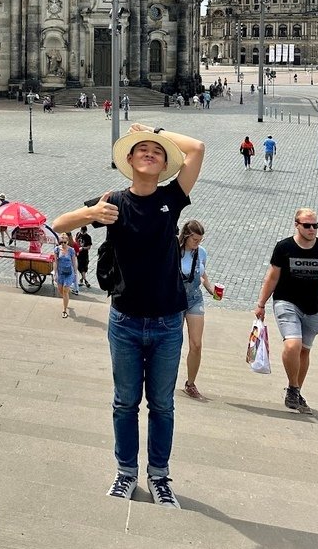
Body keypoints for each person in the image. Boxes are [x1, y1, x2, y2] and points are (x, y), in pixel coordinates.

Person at [52, 122, 204, 508]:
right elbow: (58, 225)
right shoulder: (113, 202)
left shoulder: (173, 198)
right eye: (142, 150)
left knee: (163, 405)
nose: (149, 154)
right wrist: (92, 212)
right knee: (124, 402)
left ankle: (159, 476)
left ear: (164, 161)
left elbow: (198, 148)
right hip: (125, 321)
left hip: (169, 320)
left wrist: (152, 131)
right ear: (130, 161)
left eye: (157, 151)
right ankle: (125, 473)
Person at [254, 208, 318, 414]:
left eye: (315, 225)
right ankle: (293, 388)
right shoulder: (284, 247)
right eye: (307, 225)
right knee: (292, 345)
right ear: (297, 225)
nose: (312, 229)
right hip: (285, 302)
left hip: (312, 308)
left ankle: (295, 390)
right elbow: (272, 277)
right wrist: (261, 304)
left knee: (304, 351)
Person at [178, 220, 219, 400]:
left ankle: (191, 383)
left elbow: (202, 274)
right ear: (186, 236)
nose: (197, 243)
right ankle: (164, 379)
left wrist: (211, 290)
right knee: (172, 343)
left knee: (196, 344)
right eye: (195, 239)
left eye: (200, 240)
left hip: (195, 298)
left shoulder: (201, 252)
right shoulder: (174, 251)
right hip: (174, 300)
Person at [53, 232, 78, 319]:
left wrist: (75, 273)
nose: (63, 244)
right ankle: (66, 299)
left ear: (67, 241)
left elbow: (74, 262)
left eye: (64, 242)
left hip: (69, 273)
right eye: (61, 242)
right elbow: (56, 262)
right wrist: (55, 273)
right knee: (60, 291)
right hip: (61, 273)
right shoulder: (56, 249)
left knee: (65, 290)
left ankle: (64, 310)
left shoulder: (71, 250)